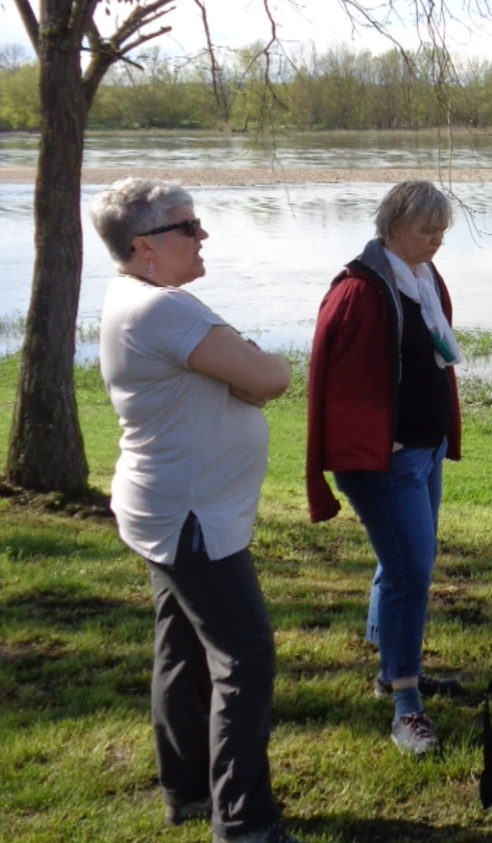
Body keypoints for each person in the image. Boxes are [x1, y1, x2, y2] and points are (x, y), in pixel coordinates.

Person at [90, 178, 305, 843]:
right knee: (245, 658)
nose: (202, 233)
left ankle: (185, 790)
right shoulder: (163, 312)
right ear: (143, 247)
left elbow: (250, 377)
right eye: (188, 226)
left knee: (181, 648)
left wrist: (239, 369)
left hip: (164, 508)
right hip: (190, 518)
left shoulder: (146, 299)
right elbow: (271, 377)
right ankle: (244, 822)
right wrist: (244, 369)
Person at [306, 181, 464, 756]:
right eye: (429, 230)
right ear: (394, 226)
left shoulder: (420, 279)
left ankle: (390, 674)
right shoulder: (358, 292)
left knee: (400, 564)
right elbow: (337, 384)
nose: (438, 240)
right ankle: (406, 707)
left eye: (443, 230)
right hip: (384, 461)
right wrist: (382, 446)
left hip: (421, 453)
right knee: (410, 571)